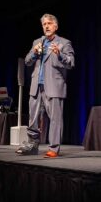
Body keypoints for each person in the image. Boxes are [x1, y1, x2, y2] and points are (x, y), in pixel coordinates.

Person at [16, 13, 75, 158]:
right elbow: (28, 61)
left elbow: (71, 62)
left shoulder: (64, 43)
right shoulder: (37, 42)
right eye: (44, 24)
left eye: (49, 23)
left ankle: (53, 149)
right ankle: (32, 146)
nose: (46, 26)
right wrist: (35, 53)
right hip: (36, 85)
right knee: (33, 118)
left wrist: (59, 54)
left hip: (54, 86)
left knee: (55, 119)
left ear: (56, 26)